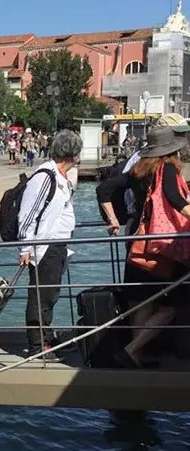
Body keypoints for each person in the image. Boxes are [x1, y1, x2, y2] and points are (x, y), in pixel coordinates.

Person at [97, 125, 190, 368]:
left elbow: (104, 189)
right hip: (163, 246)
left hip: (140, 242)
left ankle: (134, 356)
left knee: (142, 300)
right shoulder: (167, 168)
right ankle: (132, 350)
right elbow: (176, 199)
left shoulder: (138, 170)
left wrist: (113, 219)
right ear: (172, 151)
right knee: (172, 305)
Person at [18, 130, 82, 362]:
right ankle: (36, 345)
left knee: (51, 294)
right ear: (72, 153)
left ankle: (46, 335)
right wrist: (25, 248)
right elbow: (28, 213)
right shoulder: (45, 177)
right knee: (40, 295)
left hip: (57, 245)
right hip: (44, 246)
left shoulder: (60, 176)